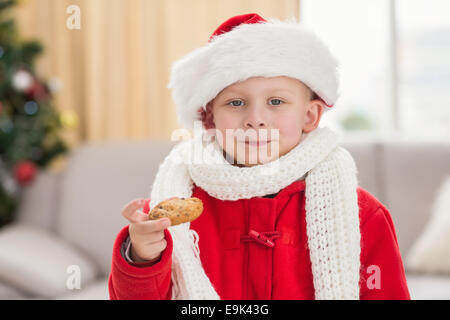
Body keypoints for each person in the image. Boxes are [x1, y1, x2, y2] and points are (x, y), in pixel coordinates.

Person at [108, 13, 411, 300]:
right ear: (210, 118)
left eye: (276, 101)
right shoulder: (165, 215)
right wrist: (142, 257)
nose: (255, 119)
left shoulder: (362, 215)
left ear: (309, 115)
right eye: (236, 102)